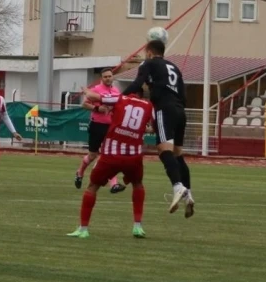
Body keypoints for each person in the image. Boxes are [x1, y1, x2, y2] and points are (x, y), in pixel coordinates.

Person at [68, 89, 153, 239]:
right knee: (138, 184)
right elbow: (155, 128)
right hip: (133, 156)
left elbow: (92, 97)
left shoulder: (120, 99)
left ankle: (83, 229)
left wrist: (86, 90)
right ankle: (138, 226)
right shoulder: (148, 105)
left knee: (92, 187)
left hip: (111, 154)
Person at [122, 39, 193, 217]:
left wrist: (120, 98)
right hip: (180, 111)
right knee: (177, 154)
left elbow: (138, 83)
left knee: (163, 150)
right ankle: (188, 194)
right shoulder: (174, 67)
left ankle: (178, 187)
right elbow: (184, 94)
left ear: (149, 52)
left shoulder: (148, 63)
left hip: (165, 109)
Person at [75, 68, 125, 193]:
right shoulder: (96, 90)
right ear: (102, 78)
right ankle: (80, 172)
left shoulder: (115, 91)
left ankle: (114, 184)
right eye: (105, 77)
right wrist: (98, 109)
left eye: (110, 76)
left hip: (110, 127)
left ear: (113, 77)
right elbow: (84, 105)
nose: (108, 78)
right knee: (92, 155)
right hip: (97, 125)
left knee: (108, 156)